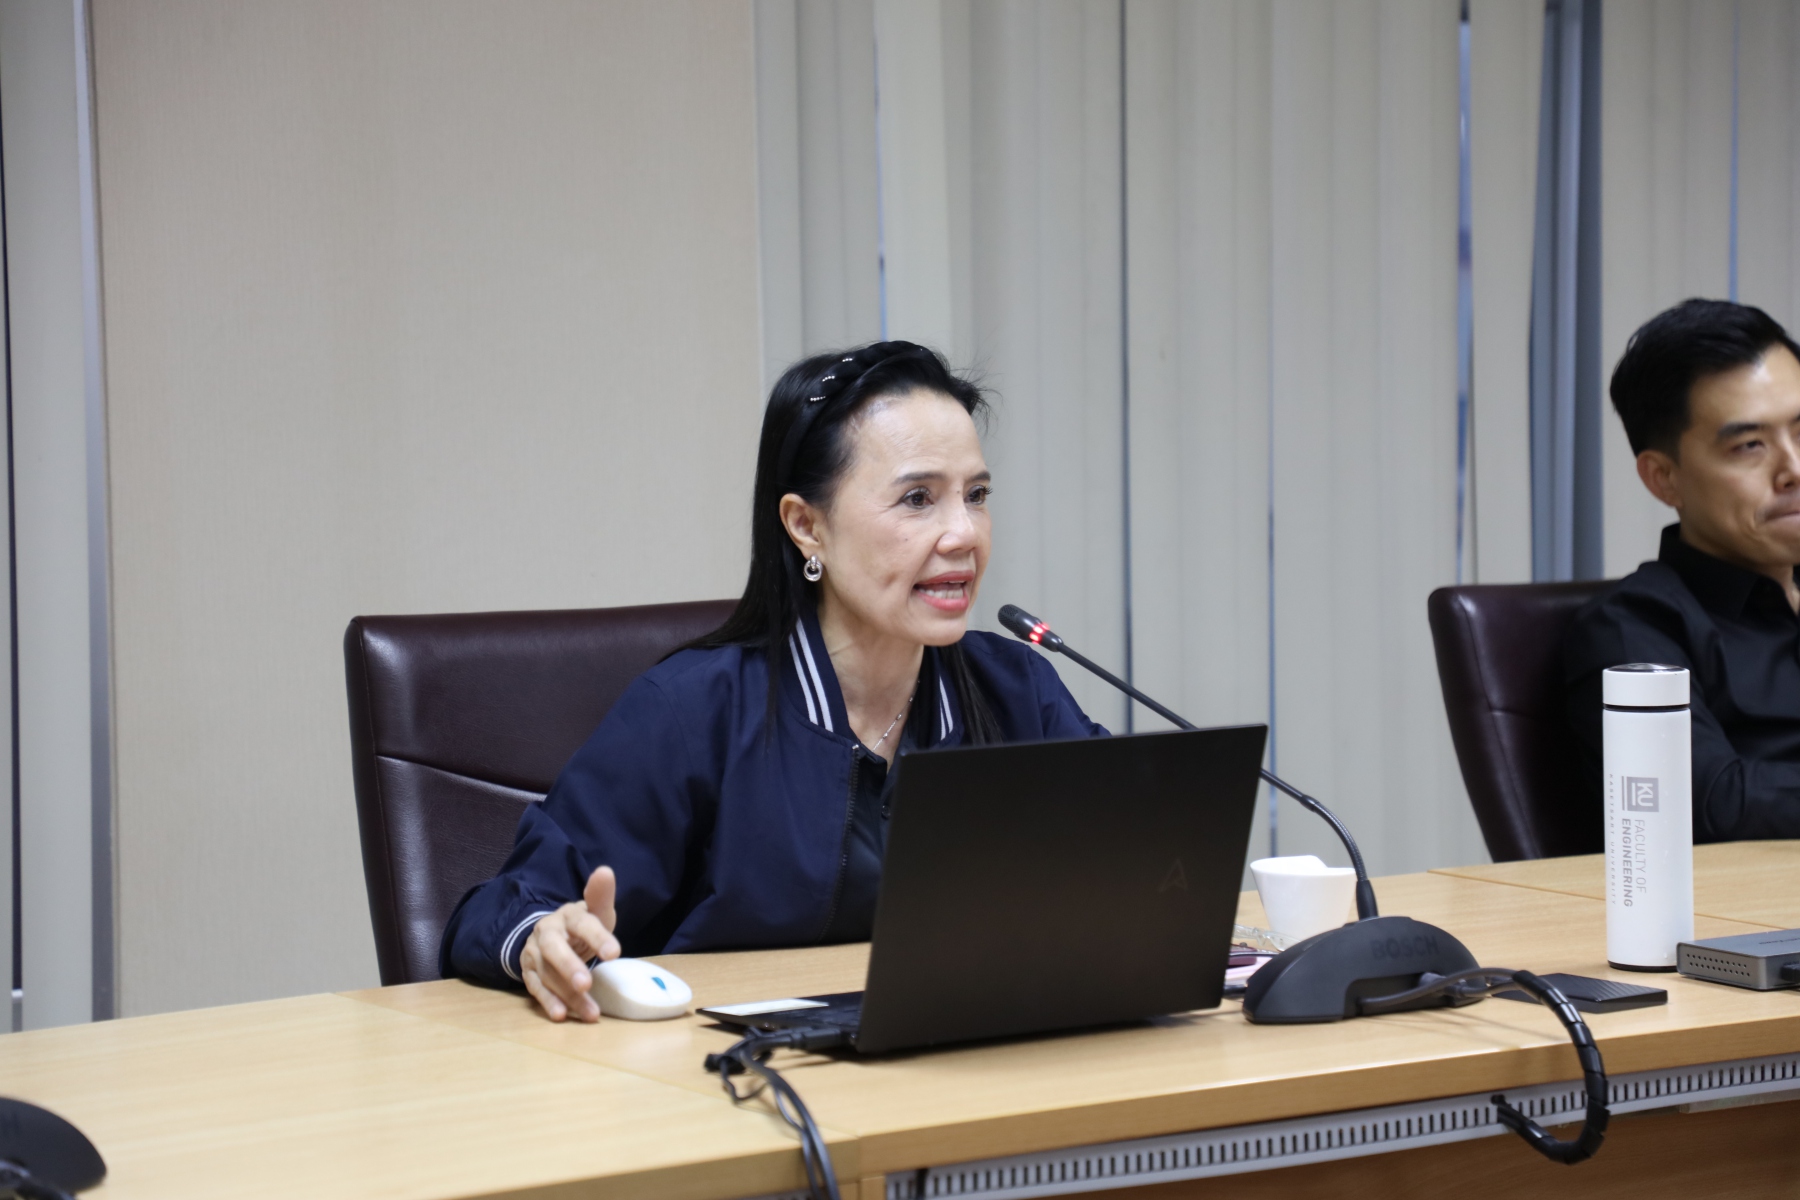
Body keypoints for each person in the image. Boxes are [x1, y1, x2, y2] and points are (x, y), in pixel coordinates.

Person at [440, 341, 1107, 1020]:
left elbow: (1129, 865)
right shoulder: (691, 711)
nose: (964, 533)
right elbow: (502, 910)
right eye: (917, 499)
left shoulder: (1016, 689)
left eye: (977, 495)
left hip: (962, 1051)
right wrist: (541, 938)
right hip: (725, 1065)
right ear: (806, 526)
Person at [1565, 298, 1800, 841]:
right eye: (1750, 445)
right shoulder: (1632, 629)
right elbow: (1710, 802)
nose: (1792, 469)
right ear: (1664, 478)